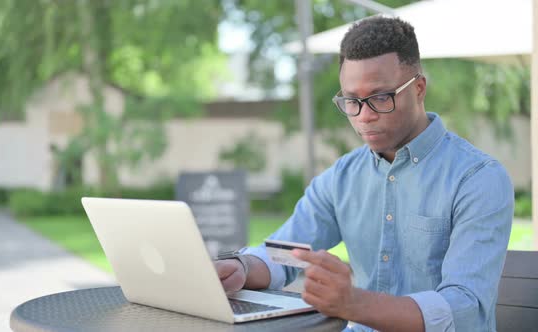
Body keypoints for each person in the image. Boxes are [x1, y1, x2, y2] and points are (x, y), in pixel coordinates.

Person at [214, 16, 513, 332]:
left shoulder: (478, 179)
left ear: (419, 88)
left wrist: (352, 303)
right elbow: (286, 255)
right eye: (352, 101)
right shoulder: (343, 177)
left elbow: (462, 308)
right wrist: (240, 268)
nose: (365, 117)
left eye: (381, 97)